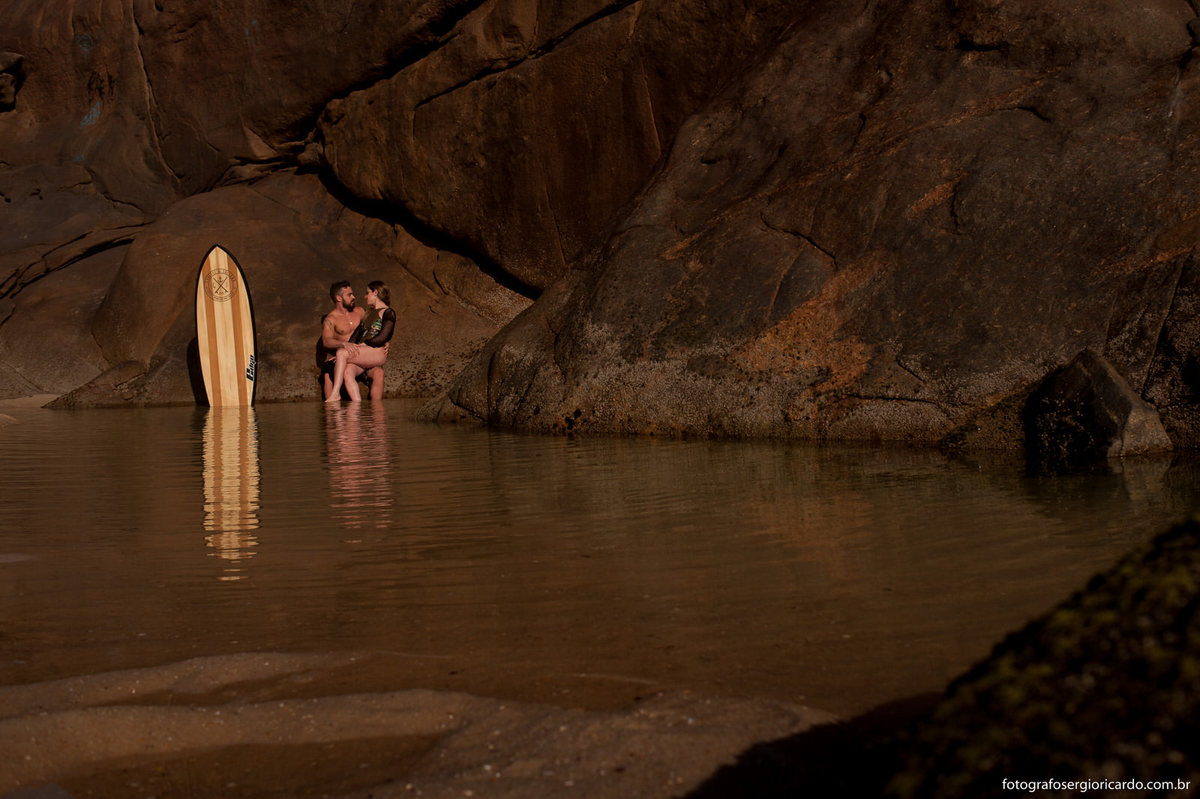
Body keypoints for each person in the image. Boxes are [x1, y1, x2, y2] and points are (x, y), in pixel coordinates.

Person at [325, 280, 395, 402]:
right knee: (347, 371)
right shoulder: (367, 313)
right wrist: (347, 348)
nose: (365, 296)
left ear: (375, 292)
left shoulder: (388, 312)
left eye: (367, 293)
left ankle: (335, 393)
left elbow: (384, 336)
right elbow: (356, 335)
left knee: (342, 353)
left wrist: (363, 345)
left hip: (376, 351)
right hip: (364, 353)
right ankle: (356, 408)